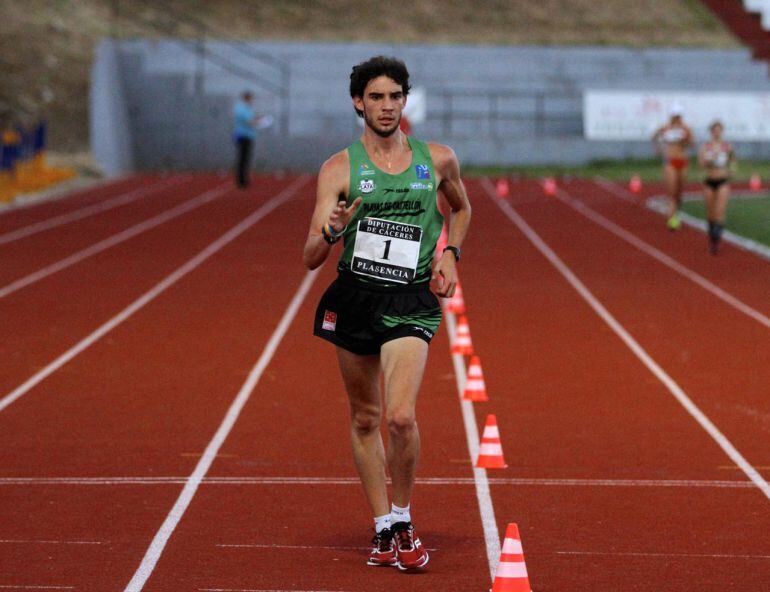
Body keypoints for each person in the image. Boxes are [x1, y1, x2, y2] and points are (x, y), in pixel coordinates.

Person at [302, 56, 471, 572]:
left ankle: (402, 517)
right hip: (355, 297)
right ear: (358, 102)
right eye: (376, 97)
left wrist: (448, 254)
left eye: (394, 96)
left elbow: (461, 209)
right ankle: (381, 529)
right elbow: (310, 255)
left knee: (400, 416)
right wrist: (332, 229)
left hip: (410, 300)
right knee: (365, 418)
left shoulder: (437, 160)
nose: (386, 106)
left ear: (405, 100)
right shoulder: (339, 169)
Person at [652, 104, 693, 231]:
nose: (676, 118)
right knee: (672, 192)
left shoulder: (685, 129)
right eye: (675, 116)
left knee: (679, 192)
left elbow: (691, 144)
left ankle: (677, 212)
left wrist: (684, 140)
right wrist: (658, 149)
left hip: (682, 160)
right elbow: (654, 137)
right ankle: (672, 219)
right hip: (670, 161)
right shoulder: (665, 128)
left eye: (678, 116)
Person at [698, 120, 736, 254]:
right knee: (711, 213)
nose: (717, 132)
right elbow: (701, 164)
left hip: (723, 181)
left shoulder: (727, 147)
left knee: (720, 211)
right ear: (711, 132)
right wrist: (710, 159)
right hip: (709, 180)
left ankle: (716, 241)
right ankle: (711, 239)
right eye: (715, 130)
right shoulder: (706, 147)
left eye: (719, 130)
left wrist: (731, 171)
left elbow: (733, 162)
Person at [232, 91, 272, 188]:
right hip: (243, 136)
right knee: (243, 158)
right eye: (251, 98)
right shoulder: (242, 108)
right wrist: (262, 122)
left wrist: (261, 118)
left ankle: (243, 179)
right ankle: (241, 181)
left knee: (245, 158)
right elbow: (250, 121)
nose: (252, 100)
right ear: (247, 98)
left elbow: (252, 117)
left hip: (247, 136)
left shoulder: (245, 108)